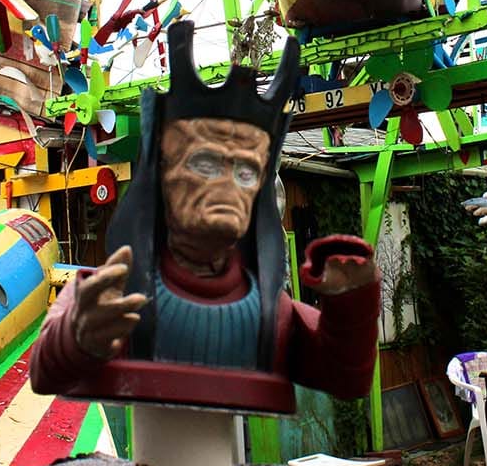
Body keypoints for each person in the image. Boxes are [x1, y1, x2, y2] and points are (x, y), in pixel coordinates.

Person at [30, 21, 380, 411]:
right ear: (162, 178)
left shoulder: (272, 314)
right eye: (205, 165)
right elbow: (44, 372)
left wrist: (353, 301)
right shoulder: (109, 298)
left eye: (246, 172)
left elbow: (347, 377)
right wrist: (77, 336)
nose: (228, 186)